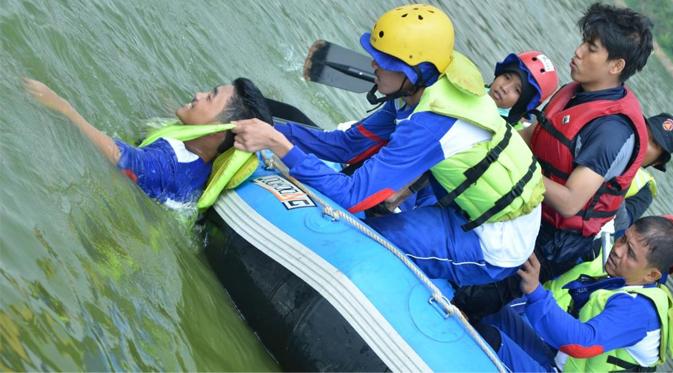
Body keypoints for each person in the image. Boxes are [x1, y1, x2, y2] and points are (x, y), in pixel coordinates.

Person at [232, 4, 544, 287]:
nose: (372, 64)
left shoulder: (431, 122)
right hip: (464, 202)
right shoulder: (418, 91)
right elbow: (345, 146)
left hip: (495, 239)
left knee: (366, 238)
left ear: (412, 72)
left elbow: (351, 197)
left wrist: (278, 144)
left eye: (383, 61)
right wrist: (275, 128)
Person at [453, 2, 654, 321]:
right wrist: (478, 138)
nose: (577, 52)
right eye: (583, 42)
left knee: (475, 297)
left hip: (553, 238)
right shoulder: (575, 91)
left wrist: (513, 165)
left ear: (616, 65)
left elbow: (571, 201)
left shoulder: (612, 130)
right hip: (526, 202)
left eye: (591, 48)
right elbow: (531, 136)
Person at [24, 77, 271, 207]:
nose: (199, 95)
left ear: (218, 132)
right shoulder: (200, 161)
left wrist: (61, 106)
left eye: (210, 97)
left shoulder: (169, 165)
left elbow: (121, 158)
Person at [476, 215, 673, 372]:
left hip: (563, 361)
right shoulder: (628, 280)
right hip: (557, 359)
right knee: (488, 307)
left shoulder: (639, 311)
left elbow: (581, 344)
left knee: (491, 338)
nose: (618, 250)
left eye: (630, 253)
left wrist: (536, 292)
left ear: (652, 275)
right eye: (623, 239)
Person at [614, 113, 673, 235]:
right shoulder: (606, 141)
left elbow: (621, 224)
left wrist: (618, 183)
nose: (644, 141)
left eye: (653, 142)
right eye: (644, 132)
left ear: (658, 161)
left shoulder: (645, 190)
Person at [488, 51, 559, 128]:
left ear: (522, 105)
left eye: (517, 90)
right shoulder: (476, 86)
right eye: (507, 77)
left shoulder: (507, 134)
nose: (504, 88)